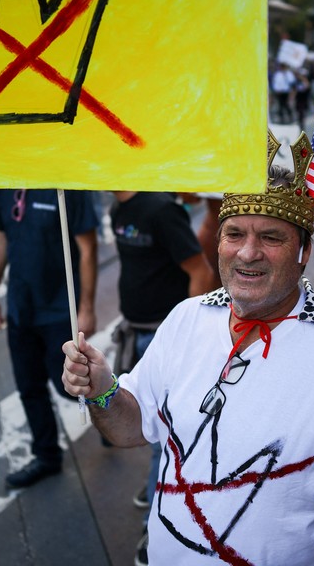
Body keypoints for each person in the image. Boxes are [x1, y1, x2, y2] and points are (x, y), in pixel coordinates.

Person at [62, 131, 314, 564]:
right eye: (234, 233)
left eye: (272, 238)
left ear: (304, 251)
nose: (248, 253)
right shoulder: (186, 319)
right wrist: (102, 389)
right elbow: (131, 428)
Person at [110, 190, 217, 565]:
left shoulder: (162, 210)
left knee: (164, 437)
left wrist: (187, 336)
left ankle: (154, 525)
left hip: (160, 335)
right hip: (135, 329)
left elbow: (200, 271)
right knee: (141, 423)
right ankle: (157, 485)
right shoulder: (117, 207)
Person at [0, 188, 98, 488]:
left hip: (60, 310)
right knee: (29, 386)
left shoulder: (64, 184)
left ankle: (111, 416)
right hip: (21, 308)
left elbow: (87, 248)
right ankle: (47, 455)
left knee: (72, 388)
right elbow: (0, 238)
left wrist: (86, 308)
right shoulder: (3, 184)